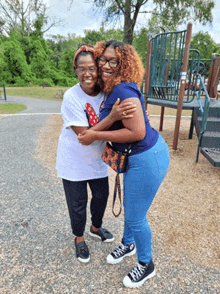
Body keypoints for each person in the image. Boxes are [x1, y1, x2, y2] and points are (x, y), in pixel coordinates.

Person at [78, 40, 170, 287]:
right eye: (103, 59)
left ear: (123, 64)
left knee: (137, 216)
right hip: (140, 156)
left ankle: (146, 264)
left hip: (146, 158)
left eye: (113, 61)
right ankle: (128, 244)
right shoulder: (114, 87)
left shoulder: (122, 91)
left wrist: (97, 135)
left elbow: (137, 132)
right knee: (131, 207)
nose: (106, 65)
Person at [56, 44, 136, 264]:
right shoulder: (71, 97)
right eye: (82, 69)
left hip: (96, 161)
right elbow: (84, 136)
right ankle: (79, 238)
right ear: (75, 70)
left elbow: (122, 119)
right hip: (73, 161)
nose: (87, 73)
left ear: (98, 69)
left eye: (91, 68)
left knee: (100, 197)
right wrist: (111, 117)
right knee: (78, 203)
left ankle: (95, 227)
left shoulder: (106, 92)